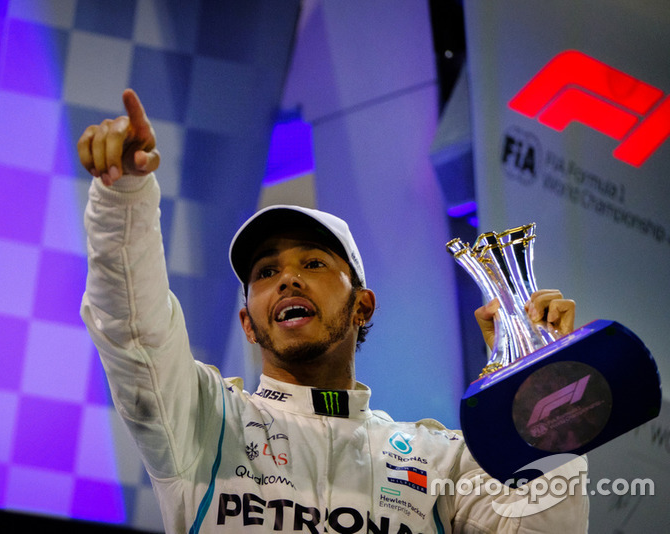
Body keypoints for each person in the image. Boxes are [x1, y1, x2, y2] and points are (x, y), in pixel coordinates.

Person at [77, 89, 589, 533]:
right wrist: (123, 198)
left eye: (314, 262)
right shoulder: (205, 423)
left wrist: (542, 394)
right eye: (265, 273)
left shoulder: (441, 460)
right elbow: (135, 334)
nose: (288, 279)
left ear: (362, 306)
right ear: (248, 325)